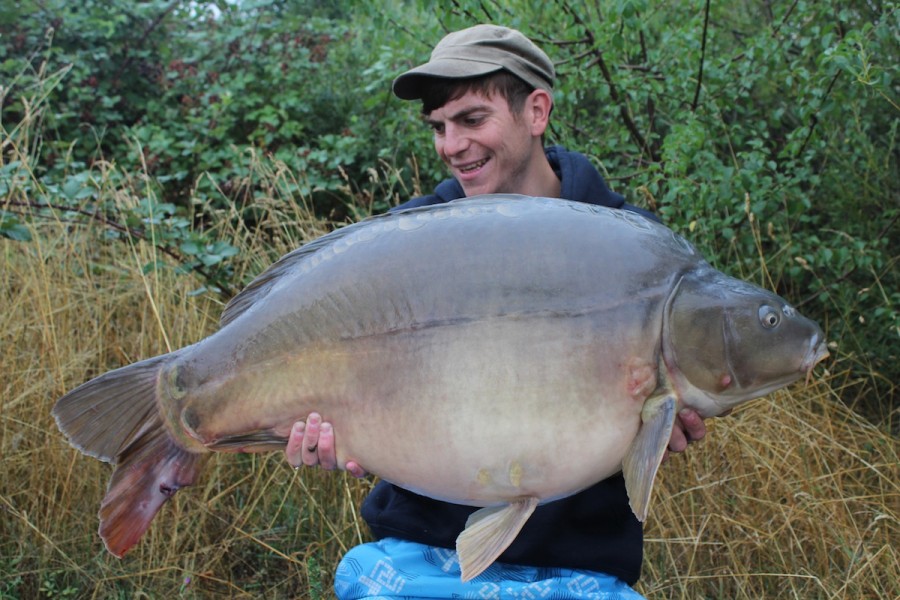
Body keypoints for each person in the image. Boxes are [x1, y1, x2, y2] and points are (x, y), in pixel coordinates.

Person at [285, 24, 707, 598]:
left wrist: (663, 424)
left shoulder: (637, 250)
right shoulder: (407, 240)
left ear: (536, 111)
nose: (450, 145)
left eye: (472, 120)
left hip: (581, 565)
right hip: (417, 548)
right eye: (439, 126)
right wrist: (341, 435)